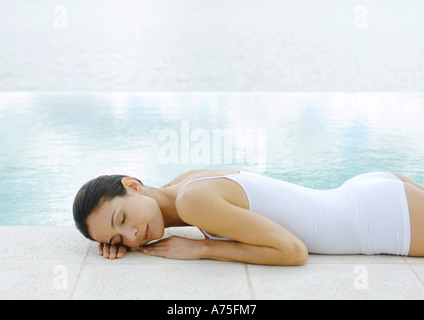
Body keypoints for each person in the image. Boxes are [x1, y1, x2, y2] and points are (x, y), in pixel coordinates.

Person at [72, 169, 424, 266]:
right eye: (119, 239)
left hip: (380, 220)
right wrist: (117, 244)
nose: (133, 235)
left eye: (121, 219)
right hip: (371, 196)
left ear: (133, 185)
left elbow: (293, 252)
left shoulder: (193, 201)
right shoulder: (185, 183)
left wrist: (201, 250)